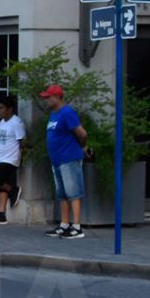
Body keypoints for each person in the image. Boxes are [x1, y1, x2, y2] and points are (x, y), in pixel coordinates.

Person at [39, 84, 89, 239]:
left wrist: (81, 147)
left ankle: (77, 227)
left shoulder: (67, 112)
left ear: (57, 97)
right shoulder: (54, 114)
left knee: (73, 192)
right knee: (62, 194)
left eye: (48, 97)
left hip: (69, 158)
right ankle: (64, 224)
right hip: (58, 160)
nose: (46, 100)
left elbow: (82, 133)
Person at [0, 96, 25, 225]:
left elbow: (21, 142)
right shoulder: (2, 122)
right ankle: (1, 215)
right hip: (1, 158)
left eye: (1, 108)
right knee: (1, 184)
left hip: (10, 160)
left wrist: (20, 158)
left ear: (10, 109)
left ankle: (13, 190)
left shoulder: (16, 122)